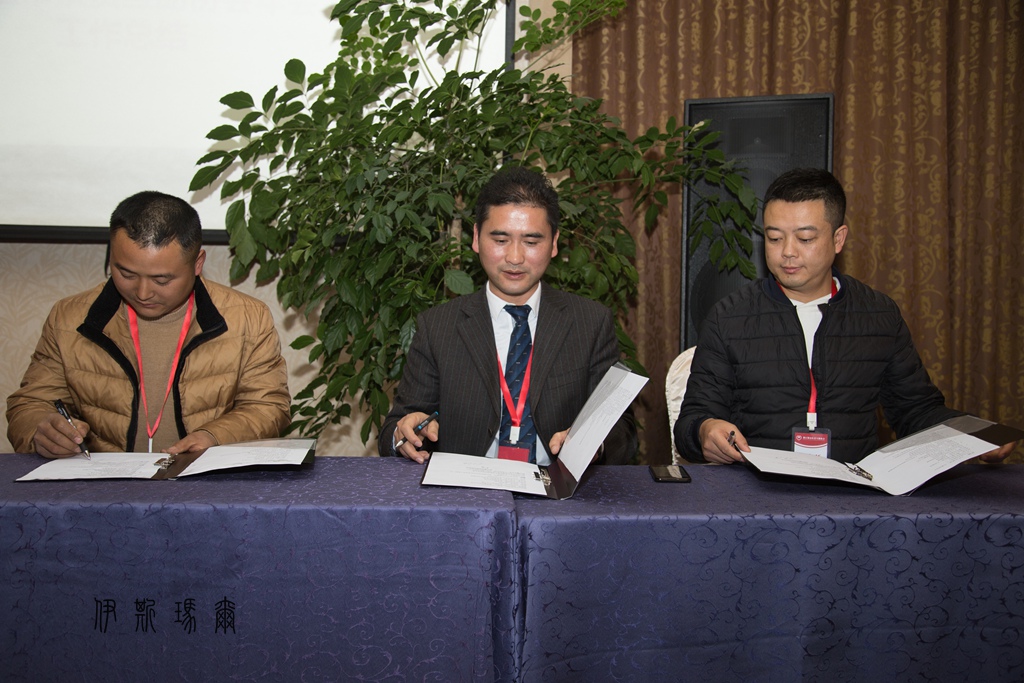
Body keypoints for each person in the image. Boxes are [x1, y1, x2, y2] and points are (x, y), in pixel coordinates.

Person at [674, 168, 1014, 465]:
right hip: (756, 491)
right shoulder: (729, 317)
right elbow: (694, 418)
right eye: (774, 238)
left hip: (853, 494)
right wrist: (705, 430)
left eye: (805, 238)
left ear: (838, 239)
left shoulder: (878, 315)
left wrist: (970, 434)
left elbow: (916, 411)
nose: (787, 252)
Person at [378, 166, 637, 465]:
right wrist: (404, 433)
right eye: (500, 240)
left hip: (554, 489)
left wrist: (592, 443)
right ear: (476, 238)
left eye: (531, 242)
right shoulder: (437, 327)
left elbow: (623, 432)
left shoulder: (590, 323)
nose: (515, 257)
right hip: (466, 489)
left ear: (554, 243)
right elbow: (395, 429)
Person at [7, 191, 291, 457]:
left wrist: (213, 436)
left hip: (203, 481)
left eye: (161, 280)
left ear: (197, 263)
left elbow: (268, 407)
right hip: (103, 484)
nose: (143, 293)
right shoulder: (69, 317)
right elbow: (30, 404)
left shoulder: (247, 318)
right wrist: (40, 430)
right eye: (126, 274)